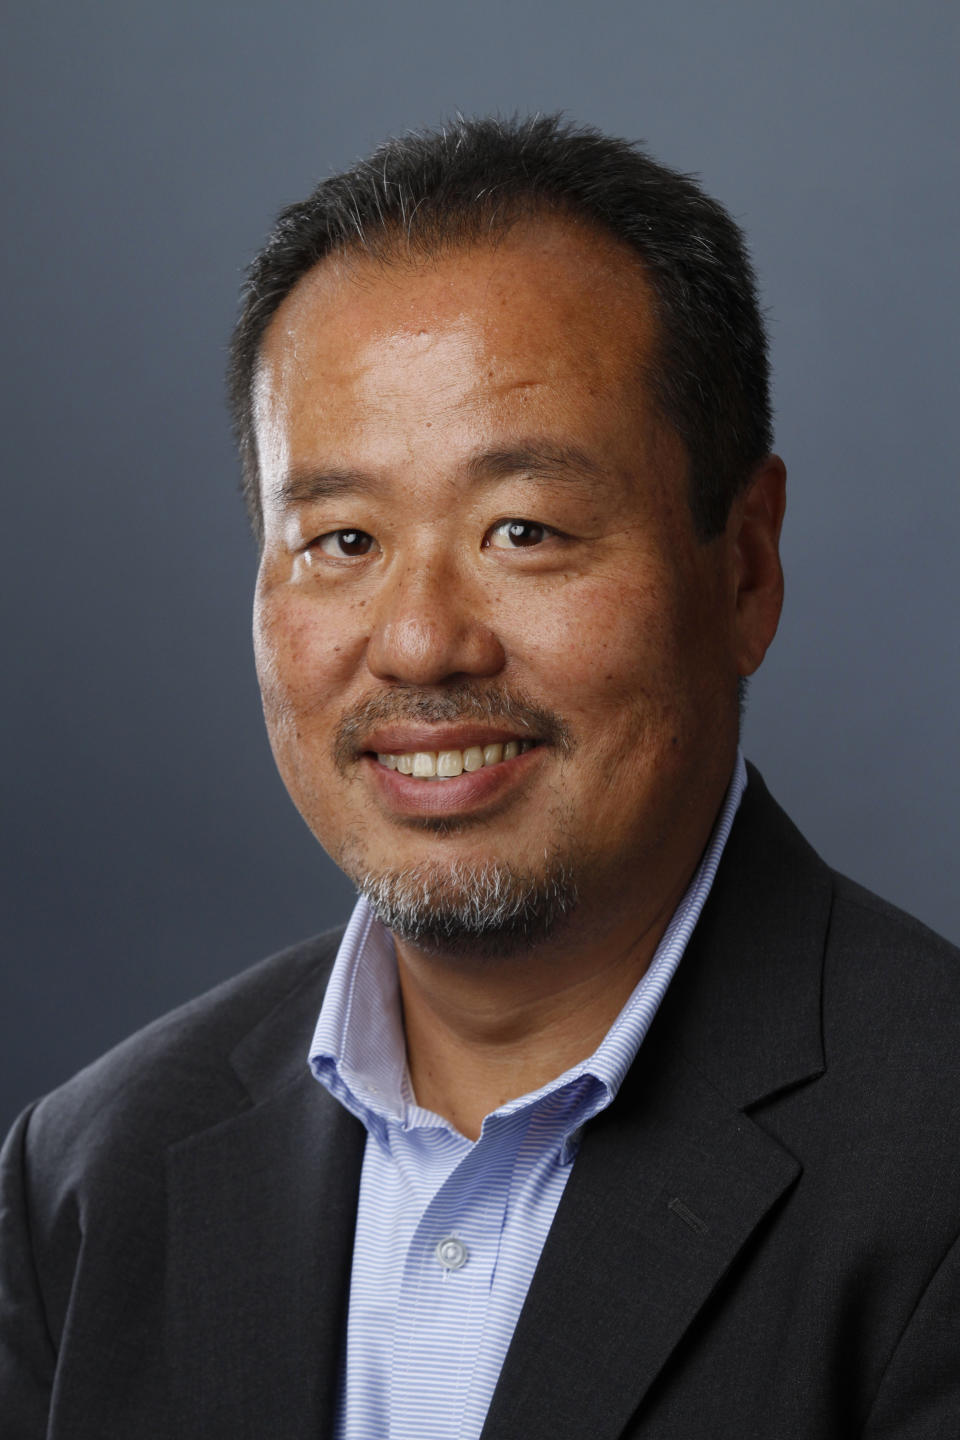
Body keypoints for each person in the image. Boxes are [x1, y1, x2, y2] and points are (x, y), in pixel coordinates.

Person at [1, 115, 958, 1440]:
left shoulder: (934, 1160)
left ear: (744, 568)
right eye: (341, 540)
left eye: (525, 529)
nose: (419, 642)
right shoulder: (86, 1179)